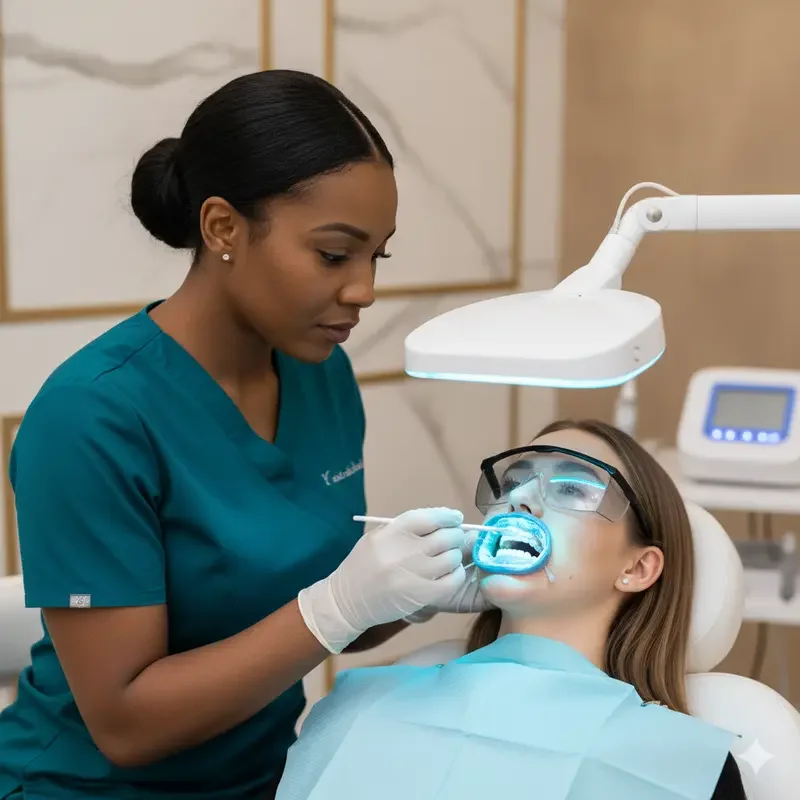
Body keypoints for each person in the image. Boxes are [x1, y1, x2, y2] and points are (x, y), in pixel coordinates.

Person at [0, 69, 491, 800]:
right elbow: (127, 725)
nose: (363, 291)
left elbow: (301, 624)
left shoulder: (320, 375)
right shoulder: (91, 418)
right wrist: (341, 604)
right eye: (333, 254)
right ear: (223, 227)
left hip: (264, 781)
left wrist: (417, 590)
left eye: (375, 256)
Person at [275, 420, 748, 800]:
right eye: (515, 483)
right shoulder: (359, 706)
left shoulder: (682, 767)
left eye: (570, 488)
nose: (520, 498)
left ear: (639, 567)